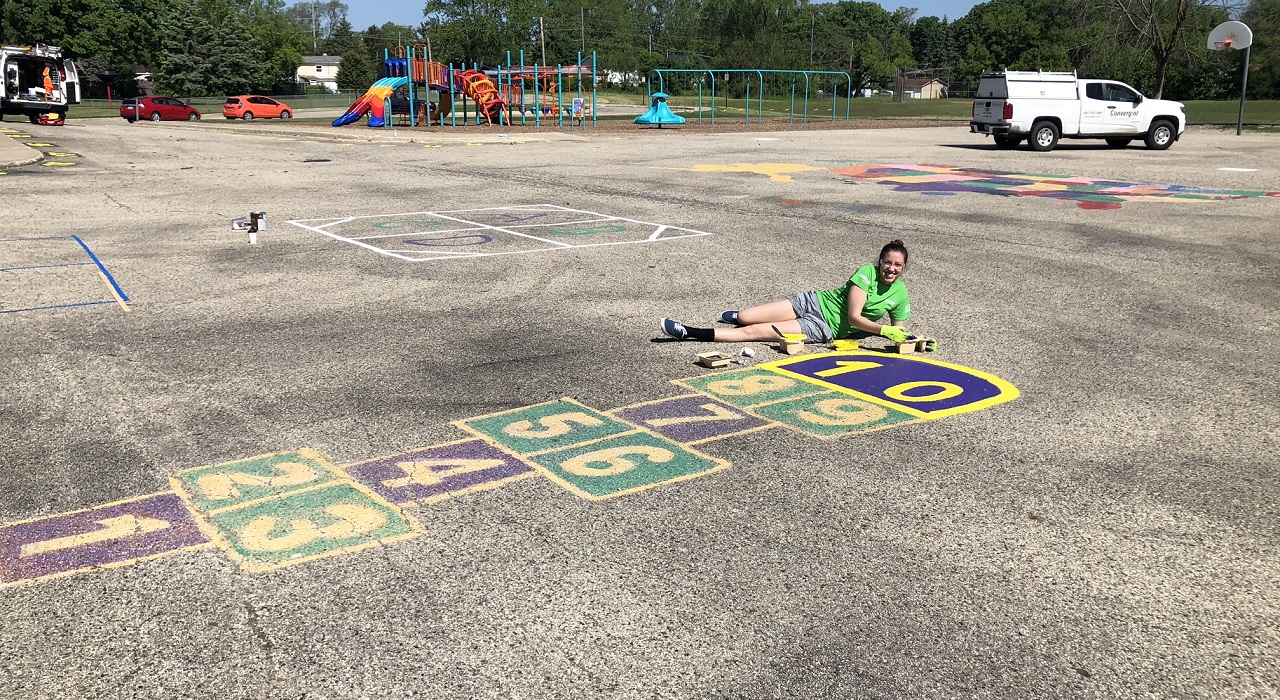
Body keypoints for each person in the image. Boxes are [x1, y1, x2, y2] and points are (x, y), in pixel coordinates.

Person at [660, 239, 914, 345]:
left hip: (823, 328)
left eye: (897, 265)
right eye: (887, 262)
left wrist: (915, 342)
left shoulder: (900, 293)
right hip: (814, 301)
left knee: (754, 332)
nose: (891, 268)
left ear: (903, 268)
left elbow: (898, 332)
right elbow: (855, 317)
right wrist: (883, 330)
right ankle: (739, 315)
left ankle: (689, 332)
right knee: (747, 317)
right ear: (879, 261)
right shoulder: (866, 273)